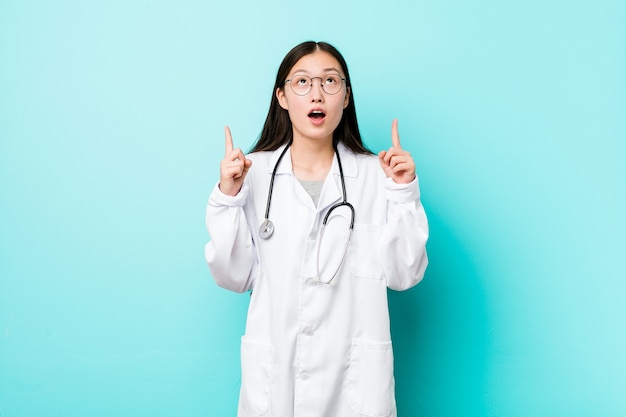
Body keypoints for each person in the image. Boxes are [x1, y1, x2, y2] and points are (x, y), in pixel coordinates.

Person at [205, 41, 429, 417]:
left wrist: (404, 192)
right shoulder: (251, 174)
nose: (317, 94)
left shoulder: (378, 176)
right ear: (281, 96)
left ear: (346, 96)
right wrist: (228, 197)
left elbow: (404, 274)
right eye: (302, 82)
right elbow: (234, 276)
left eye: (330, 81)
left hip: (355, 387)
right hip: (278, 381)